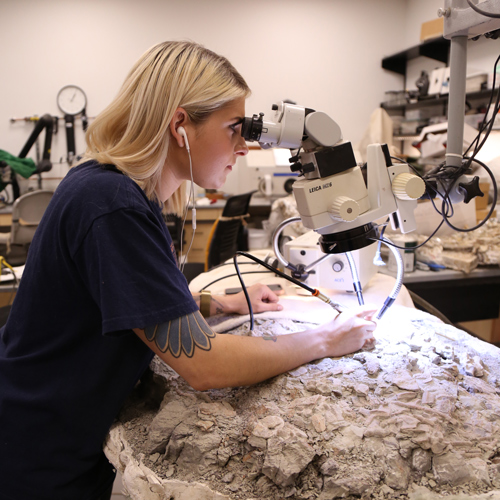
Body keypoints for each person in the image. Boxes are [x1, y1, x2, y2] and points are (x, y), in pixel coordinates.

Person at [0, 41, 376, 500]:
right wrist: (323, 340)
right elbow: (205, 364)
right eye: (234, 129)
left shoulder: (113, 189)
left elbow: (121, 300)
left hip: (57, 431)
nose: (243, 145)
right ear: (180, 125)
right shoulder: (112, 205)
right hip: (40, 453)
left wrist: (217, 303)